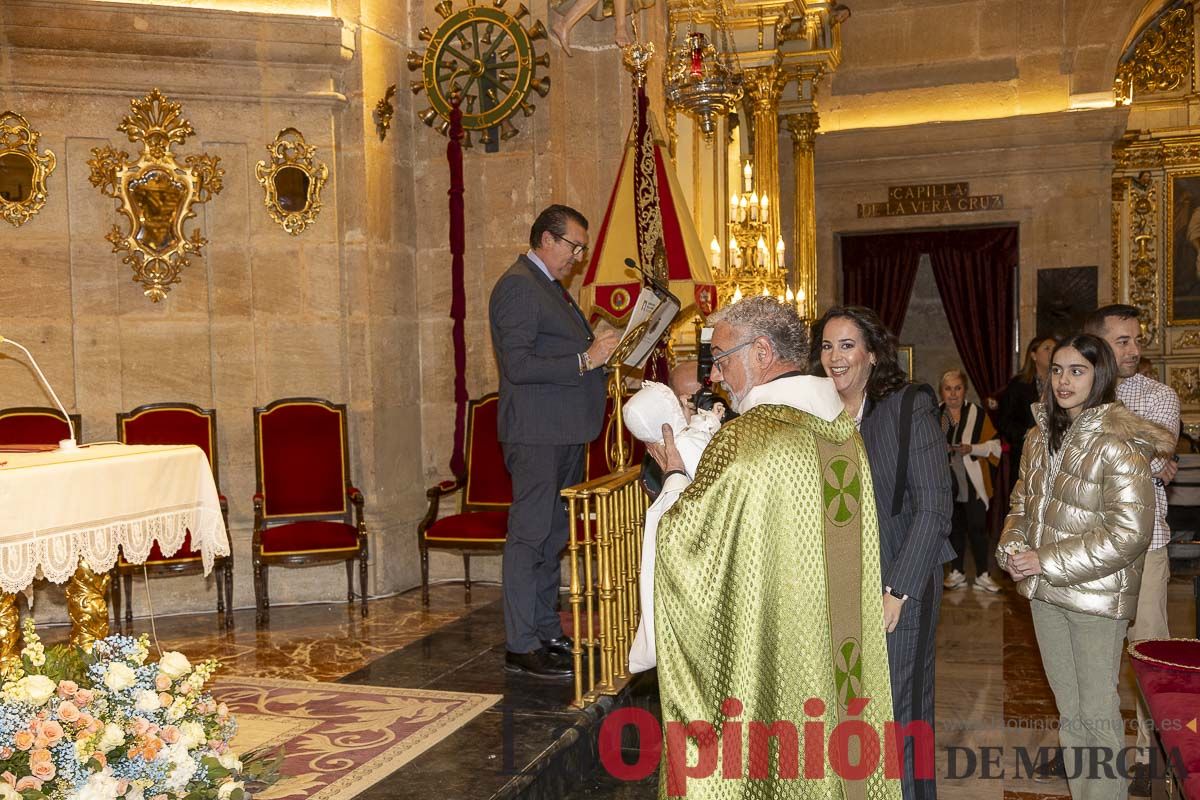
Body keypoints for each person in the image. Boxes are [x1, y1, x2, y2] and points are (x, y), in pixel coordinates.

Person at [649, 297, 900, 798]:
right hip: (832, 642)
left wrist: (675, 477)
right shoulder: (840, 431)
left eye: (721, 358)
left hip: (774, 650)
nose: (716, 375)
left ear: (761, 351)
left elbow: (687, 548)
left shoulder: (748, 438)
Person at [997, 333, 1173, 800]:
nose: (1063, 380)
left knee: (1096, 711)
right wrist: (1012, 547)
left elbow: (1129, 533)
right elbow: (1022, 504)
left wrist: (1045, 559)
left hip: (1095, 595)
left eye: (1077, 370)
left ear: (1100, 377)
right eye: (1057, 369)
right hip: (1045, 592)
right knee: (1071, 713)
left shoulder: (1119, 441)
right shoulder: (1038, 437)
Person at [810, 306, 953, 800]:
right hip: (840, 585)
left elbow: (935, 506)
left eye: (847, 345)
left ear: (872, 354)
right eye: (826, 346)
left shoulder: (907, 405)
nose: (835, 357)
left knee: (900, 711)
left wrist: (899, 590)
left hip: (901, 577)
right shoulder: (815, 416)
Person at [488, 204, 619, 679]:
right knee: (529, 537)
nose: (578, 257)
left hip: (564, 432)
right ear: (547, 238)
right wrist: (587, 359)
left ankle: (545, 629)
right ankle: (521, 644)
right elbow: (519, 366)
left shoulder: (550, 289)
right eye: (574, 246)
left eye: (582, 248)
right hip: (538, 435)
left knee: (553, 536)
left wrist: (598, 347)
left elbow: (559, 350)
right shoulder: (518, 287)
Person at [1082, 304, 1181, 796]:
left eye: (1137, 339)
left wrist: (1099, 430)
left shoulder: (1158, 395)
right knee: (1093, 658)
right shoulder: (1075, 389)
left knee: (1149, 652)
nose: (1136, 350)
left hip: (1147, 545)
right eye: (1123, 341)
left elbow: (1150, 450)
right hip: (1092, 550)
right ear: (1098, 343)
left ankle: (1150, 759)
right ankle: (1099, 757)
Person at [938, 368, 1002, 594]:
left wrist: (971, 448)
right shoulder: (935, 415)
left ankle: (984, 574)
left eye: (958, 388)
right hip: (945, 483)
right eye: (948, 389)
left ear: (965, 390)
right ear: (941, 392)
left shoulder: (977, 413)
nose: (953, 394)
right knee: (953, 528)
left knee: (977, 527)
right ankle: (957, 572)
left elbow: (995, 447)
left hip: (973, 482)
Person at [996, 335, 1056, 493]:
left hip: (1054, 454)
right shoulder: (1019, 385)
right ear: (1033, 355)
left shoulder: (1061, 383)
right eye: (1047, 348)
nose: (1052, 352)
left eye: (1054, 349)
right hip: (1025, 454)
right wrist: (1025, 433)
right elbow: (1003, 421)